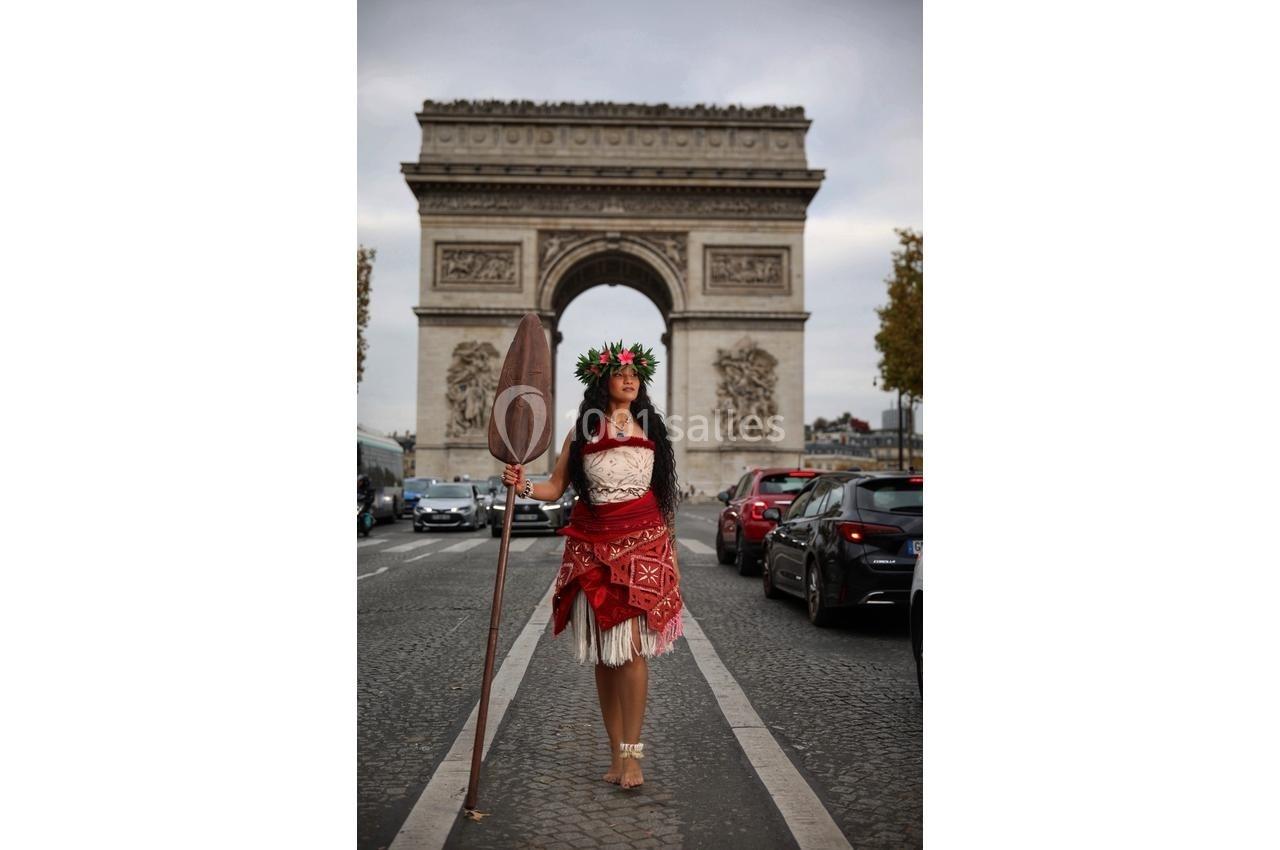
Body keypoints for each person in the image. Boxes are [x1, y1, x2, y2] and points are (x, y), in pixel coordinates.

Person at [502, 340, 683, 790]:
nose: (629, 379)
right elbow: (556, 487)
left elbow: (664, 499)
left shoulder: (652, 428)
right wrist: (523, 485)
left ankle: (633, 754)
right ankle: (614, 752)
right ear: (602, 381)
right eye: (621, 373)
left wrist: (672, 552)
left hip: (643, 546)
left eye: (635, 375)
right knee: (607, 654)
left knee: (634, 651)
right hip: (592, 547)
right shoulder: (580, 433)